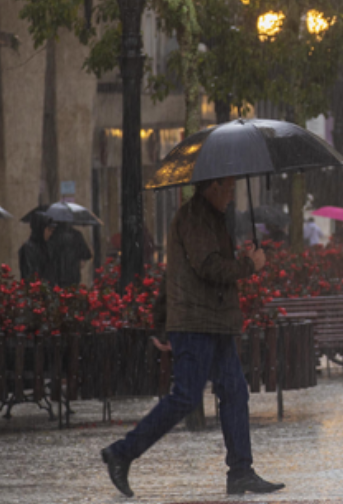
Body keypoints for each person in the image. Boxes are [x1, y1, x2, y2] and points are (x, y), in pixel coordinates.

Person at [101, 176, 284, 498]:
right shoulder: (195, 217)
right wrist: (248, 265)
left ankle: (241, 472)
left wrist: (162, 320)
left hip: (214, 322)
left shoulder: (210, 217)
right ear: (213, 187)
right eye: (228, 189)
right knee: (186, 396)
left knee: (235, 392)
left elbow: (174, 274)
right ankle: (122, 453)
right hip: (196, 324)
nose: (231, 195)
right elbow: (209, 266)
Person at [47, 220, 92, 287]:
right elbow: (86, 255)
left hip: (57, 275)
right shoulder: (77, 235)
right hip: (73, 275)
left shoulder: (53, 235)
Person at [18, 212, 51, 282]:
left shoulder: (45, 247)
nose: (49, 233)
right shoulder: (27, 248)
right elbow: (28, 273)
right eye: (48, 229)